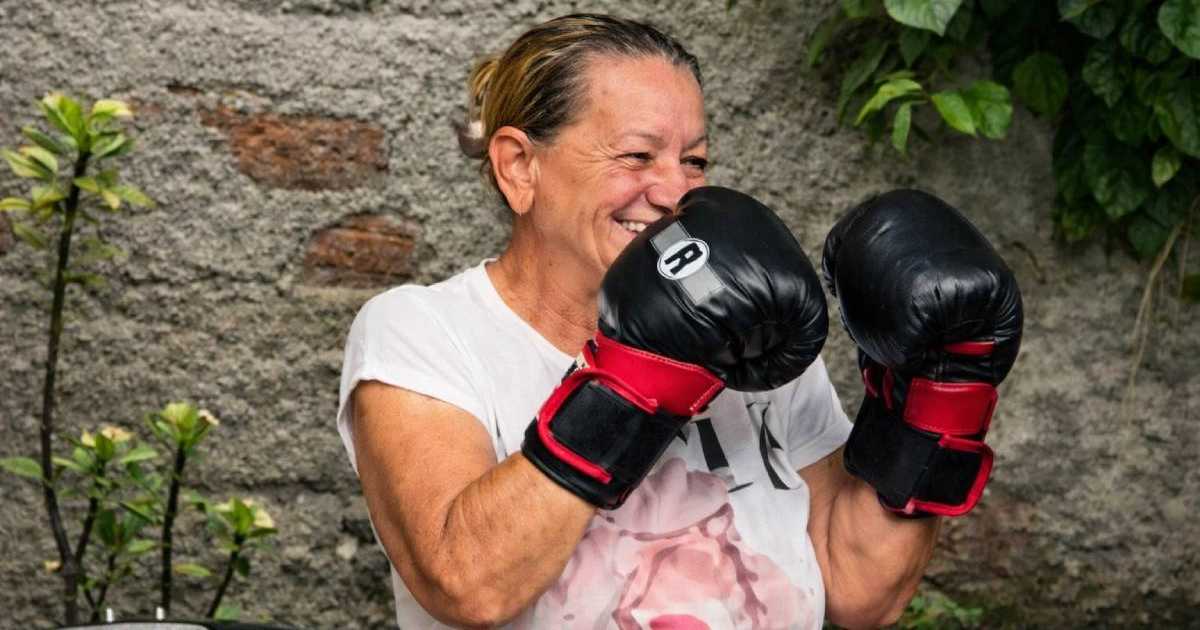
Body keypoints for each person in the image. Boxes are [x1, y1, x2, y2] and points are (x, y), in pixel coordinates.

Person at [337, 13, 1022, 630]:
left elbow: (858, 593)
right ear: (520, 167)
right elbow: (466, 586)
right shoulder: (424, 331)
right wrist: (636, 371)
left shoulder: (754, 334)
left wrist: (937, 396)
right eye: (636, 156)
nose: (673, 191)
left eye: (693, 160)